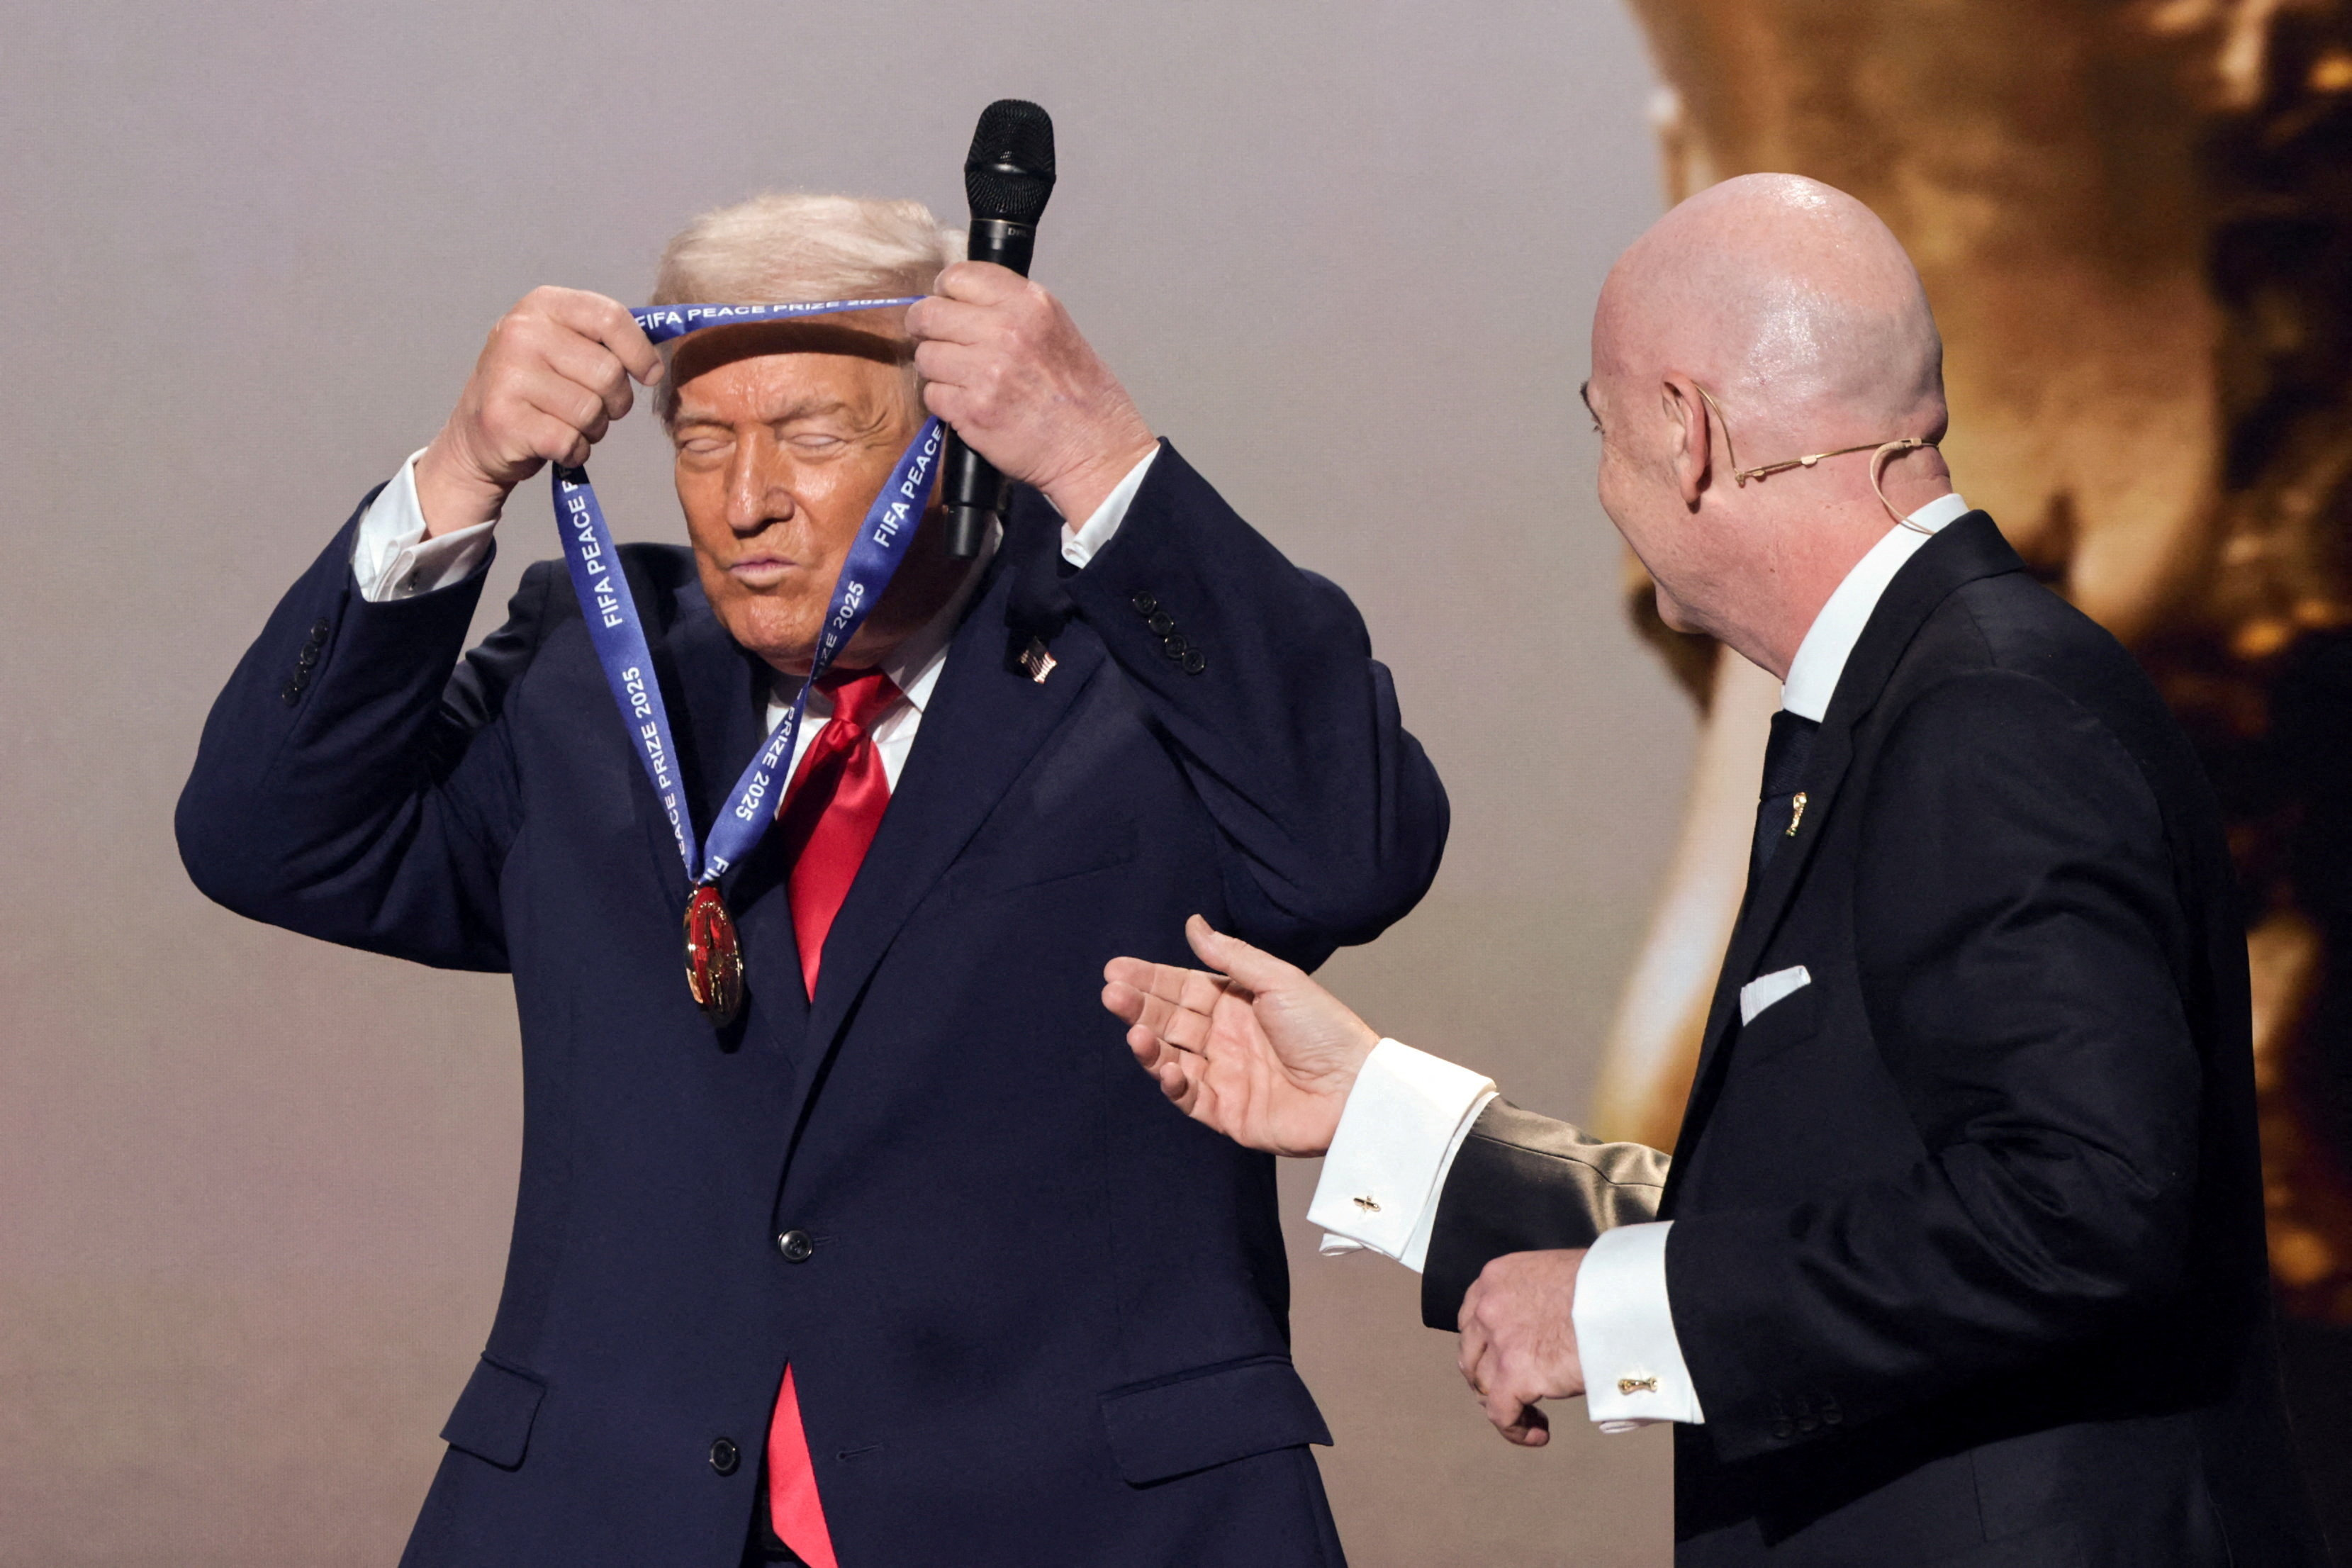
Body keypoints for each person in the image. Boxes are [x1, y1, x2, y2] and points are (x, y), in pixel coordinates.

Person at [177, 191, 1446, 1567]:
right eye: (704, 440)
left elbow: (1354, 847)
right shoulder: (600, 675)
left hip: (1079, 1518)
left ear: (955, 438)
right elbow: (264, 831)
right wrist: (457, 474)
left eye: (813, 436)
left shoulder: (1129, 667)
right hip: (621, 1512)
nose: (745, 500)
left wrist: (1092, 453)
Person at [1104, 174, 2327, 1566]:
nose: (1606, 481)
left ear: (1687, 433)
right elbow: (1836, 1215)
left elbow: (2079, 1206)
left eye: (1601, 424)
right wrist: (1382, 1113)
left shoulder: (1985, 714)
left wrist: (1631, 1316)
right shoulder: (1918, 697)